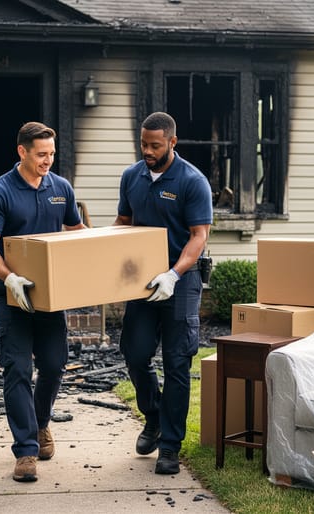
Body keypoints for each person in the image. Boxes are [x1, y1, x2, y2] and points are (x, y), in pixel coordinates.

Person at [0, 121, 85, 483]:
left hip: (51, 296)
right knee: (18, 369)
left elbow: (76, 232)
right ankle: (25, 451)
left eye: (52, 154)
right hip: (12, 297)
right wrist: (9, 278)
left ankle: (41, 424)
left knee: (54, 365)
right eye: (41, 154)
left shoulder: (61, 188)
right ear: (21, 151)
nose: (48, 161)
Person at [114, 111, 212, 474]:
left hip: (180, 281)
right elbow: (124, 223)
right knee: (135, 353)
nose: (147, 151)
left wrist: (173, 274)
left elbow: (198, 235)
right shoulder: (131, 176)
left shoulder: (191, 181)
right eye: (143, 144)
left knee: (177, 363)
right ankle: (153, 416)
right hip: (141, 281)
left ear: (172, 142)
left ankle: (170, 445)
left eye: (155, 145)